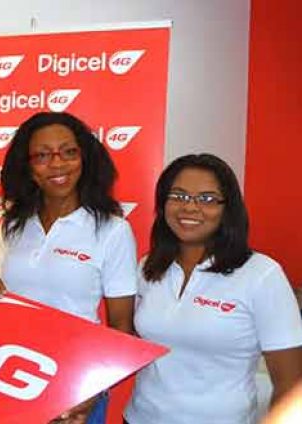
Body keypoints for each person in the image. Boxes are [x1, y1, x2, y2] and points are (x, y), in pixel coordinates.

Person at [0, 112, 138, 424]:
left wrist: (89, 392)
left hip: (74, 388)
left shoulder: (112, 230)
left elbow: (121, 328)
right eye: (42, 155)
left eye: (69, 152)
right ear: (27, 167)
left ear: (85, 159)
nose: (57, 164)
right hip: (9, 379)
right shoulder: (12, 224)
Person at [124, 154, 302, 424]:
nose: (190, 208)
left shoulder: (262, 274)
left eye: (207, 199)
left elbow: (289, 384)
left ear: (228, 209)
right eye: (178, 196)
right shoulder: (148, 266)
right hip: (140, 417)